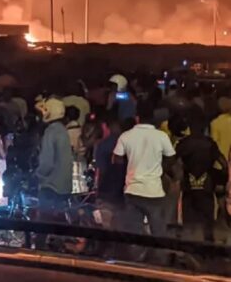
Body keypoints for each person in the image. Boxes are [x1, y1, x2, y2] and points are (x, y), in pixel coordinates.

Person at [113, 100, 176, 240]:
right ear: (153, 117)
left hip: (132, 191)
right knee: (159, 234)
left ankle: (137, 258)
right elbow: (171, 158)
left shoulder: (126, 136)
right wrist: (160, 169)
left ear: (137, 117)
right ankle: (157, 259)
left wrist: (131, 165)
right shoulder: (161, 136)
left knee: (134, 235)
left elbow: (116, 159)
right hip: (154, 191)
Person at [177, 113, 227, 242]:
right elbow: (223, 164)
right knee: (207, 221)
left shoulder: (183, 143)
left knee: (189, 222)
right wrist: (220, 179)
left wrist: (176, 177)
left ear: (190, 126)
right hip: (207, 186)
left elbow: (171, 162)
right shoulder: (209, 143)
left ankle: (189, 249)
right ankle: (208, 250)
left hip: (189, 186)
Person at [36, 97, 73, 218]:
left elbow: (47, 163)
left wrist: (37, 175)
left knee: (44, 221)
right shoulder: (62, 130)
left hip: (51, 186)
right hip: (65, 186)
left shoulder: (50, 132)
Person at [94, 115, 126, 229]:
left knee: (106, 227)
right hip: (122, 193)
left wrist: (97, 190)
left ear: (106, 127)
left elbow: (100, 170)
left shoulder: (103, 145)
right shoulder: (128, 143)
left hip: (106, 192)